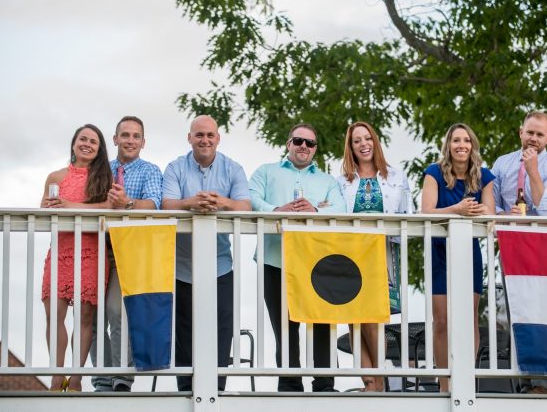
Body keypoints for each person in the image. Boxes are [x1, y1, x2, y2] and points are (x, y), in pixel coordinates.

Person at [249, 123, 346, 392]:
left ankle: (325, 383)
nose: (304, 146)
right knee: (285, 326)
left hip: (316, 261)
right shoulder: (266, 172)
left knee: (322, 321)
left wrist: (314, 210)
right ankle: (290, 383)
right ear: (288, 143)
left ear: (315, 149)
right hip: (275, 258)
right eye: (298, 141)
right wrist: (275, 210)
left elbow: (340, 206)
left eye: (310, 143)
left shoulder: (327, 181)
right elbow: (251, 198)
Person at [161, 115, 251, 392]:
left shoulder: (233, 168)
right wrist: (193, 202)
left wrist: (222, 202)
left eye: (210, 135)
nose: (205, 140)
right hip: (180, 265)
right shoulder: (176, 167)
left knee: (221, 330)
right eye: (199, 135)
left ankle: (217, 390)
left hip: (219, 264)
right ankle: (185, 391)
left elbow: (246, 207)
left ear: (218, 138)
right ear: (189, 138)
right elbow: (166, 205)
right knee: (183, 332)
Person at [491, 110, 547, 394]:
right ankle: (522, 382)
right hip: (513, 245)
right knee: (516, 312)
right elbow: (491, 205)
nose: (533, 138)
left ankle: (541, 384)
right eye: (529, 132)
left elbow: (546, 209)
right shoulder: (502, 163)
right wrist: (502, 213)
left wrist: (533, 170)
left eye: (539, 134)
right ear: (520, 132)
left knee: (544, 312)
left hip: (546, 245)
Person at [90, 116, 163, 392]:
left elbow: (154, 205)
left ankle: (122, 377)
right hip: (96, 248)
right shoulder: (101, 170)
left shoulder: (150, 171)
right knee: (93, 315)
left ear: (143, 142)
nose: (130, 140)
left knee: (115, 311)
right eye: (125, 135)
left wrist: (127, 203)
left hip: (128, 250)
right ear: (115, 139)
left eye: (135, 136)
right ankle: (102, 379)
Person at [337, 121, 412, 392]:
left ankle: (379, 379)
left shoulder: (395, 177)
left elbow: (408, 217)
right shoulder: (342, 181)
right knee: (353, 316)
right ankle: (369, 382)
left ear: (375, 141)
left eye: (367, 138)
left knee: (375, 316)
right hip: (350, 254)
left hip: (381, 252)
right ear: (351, 147)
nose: (363, 144)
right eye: (357, 140)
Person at [421, 123, 495, 392]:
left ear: (472, 145)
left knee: (469, 317)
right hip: (439, 249)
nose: (461, 145)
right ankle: (444, 383)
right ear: (448, 146)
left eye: (466, 140)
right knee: (441, 320)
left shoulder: (484, 175)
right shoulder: (434, 172)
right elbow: (426, 211)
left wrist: (480, 210)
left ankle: (465, 379)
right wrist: (458, 209)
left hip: (468, 251)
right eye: (456, 140)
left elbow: (490, 215)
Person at [40, 124, 113, 391]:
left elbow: (109, 207)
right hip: (60, 251)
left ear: (99, 148)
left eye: (94, 141)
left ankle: (77, 377)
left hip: (91, 253)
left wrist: (71, 207)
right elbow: (43, 210)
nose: (87, 144)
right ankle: (57, 376)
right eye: (83, 139)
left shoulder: (105, 178)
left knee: (84, 319)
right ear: (73, 143)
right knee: (54, 315)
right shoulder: (55, 177)